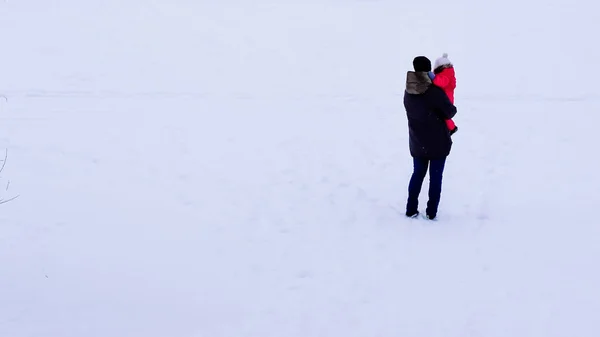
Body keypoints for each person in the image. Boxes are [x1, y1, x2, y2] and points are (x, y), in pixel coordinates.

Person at [403, 56, 457, 220]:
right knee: (435, 177)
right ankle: (431, 212)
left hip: (417, 142)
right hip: (438, 143)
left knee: (417, 174)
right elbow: (450, 111)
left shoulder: (408, 91)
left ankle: (411, 209)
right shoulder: (433, 91)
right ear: (428, 70)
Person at [428, 53, 458, 135]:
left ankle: (452, 128)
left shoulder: (447, 73)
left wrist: (433, 77)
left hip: (447, 99)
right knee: (443, 114)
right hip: (444, 98)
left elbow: (442, 82)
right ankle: (450, 127)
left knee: (445, 115)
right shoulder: (445, 72)